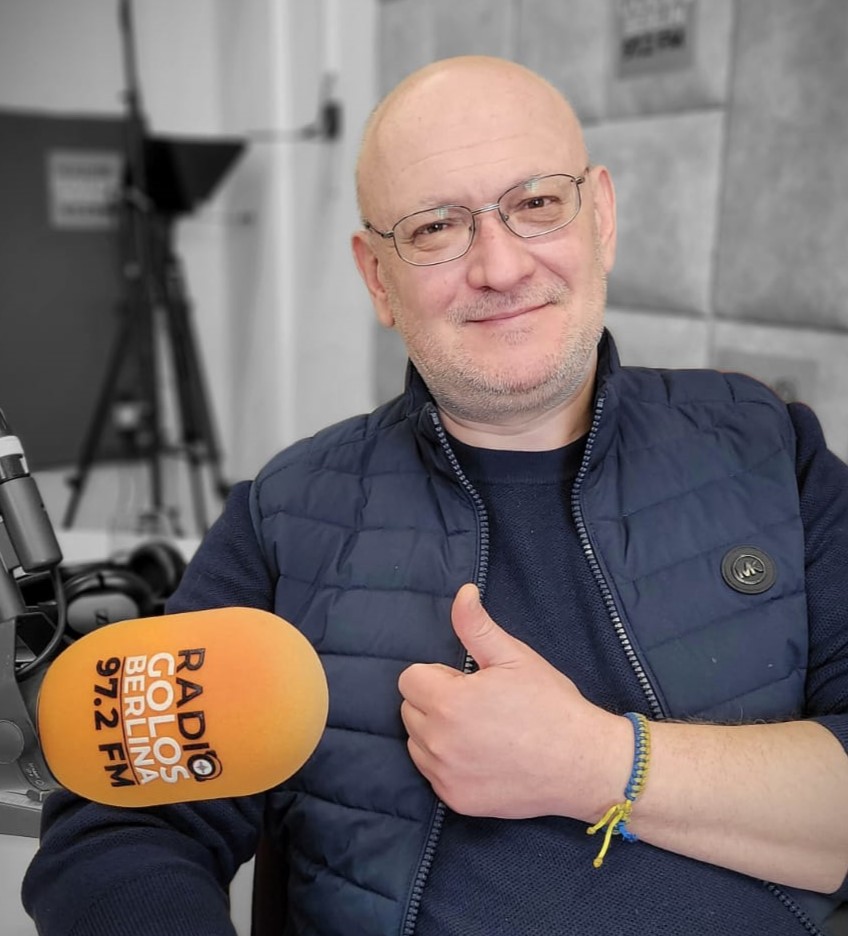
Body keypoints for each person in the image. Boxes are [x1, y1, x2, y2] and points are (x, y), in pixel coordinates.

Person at [22, 55, 848, 936]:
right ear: (378, 278)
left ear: (601, 218)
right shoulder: (285, 518)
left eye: (538, 203)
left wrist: (598, 762)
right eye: (435, 227)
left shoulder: (771, 449)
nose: (499, 265)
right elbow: (117, 824)